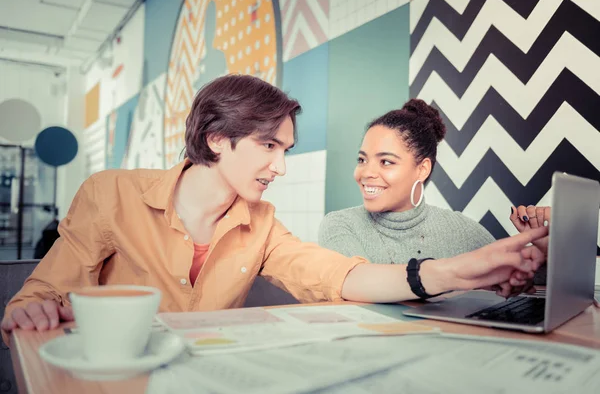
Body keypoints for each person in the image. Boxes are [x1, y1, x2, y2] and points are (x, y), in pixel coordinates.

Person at [1, 75, 547, 344]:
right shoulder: (109, 192)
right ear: (217, 138)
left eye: (285, 150)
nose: (280, 167)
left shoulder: (260, 224)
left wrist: (454, 270)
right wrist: (32, 307)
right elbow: (44, 288)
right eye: (269, 147)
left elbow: (335, 275)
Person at [318, 100, 530, 297]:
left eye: (386, 162)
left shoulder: (460, 230)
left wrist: (540, 247)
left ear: (422, 169)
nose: (365, 173)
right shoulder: (340, 225)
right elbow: (353, 284)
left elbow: (521, 273)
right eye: (362, 159)